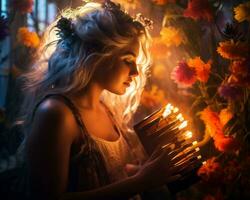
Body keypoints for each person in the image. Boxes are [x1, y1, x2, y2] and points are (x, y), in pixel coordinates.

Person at [14, 1, 187, 199]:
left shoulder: (105, 109)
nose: (136, 72)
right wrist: (139, 182)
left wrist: (139, 173)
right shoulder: (56, 114)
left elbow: (106, 176)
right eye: (128, 60)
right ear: (96, 55)